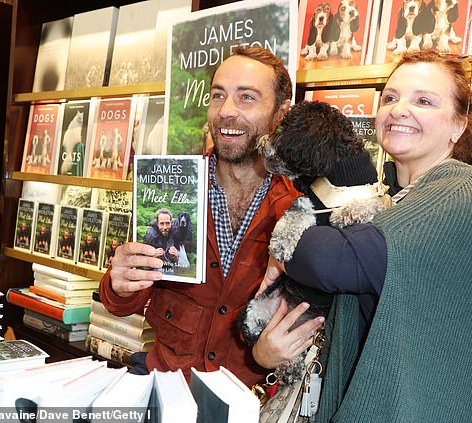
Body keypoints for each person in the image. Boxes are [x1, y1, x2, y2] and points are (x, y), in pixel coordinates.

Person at [256, 50, 472, 422]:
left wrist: (284, 239)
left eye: (423, 100)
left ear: (459, 124)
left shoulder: (465, 190)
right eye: (391, 98)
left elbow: (330, 261)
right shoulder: (390, 197)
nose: (398, 109)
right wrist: (266, 353)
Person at [98, 46, 322, 387]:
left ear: (281, 113)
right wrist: (119, 281)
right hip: (167, 388)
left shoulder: (300, 210)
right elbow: (121, 303)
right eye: (218, 96)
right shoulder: (172, 188)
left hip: (251, 402)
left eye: (246, 97)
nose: (227, 111)